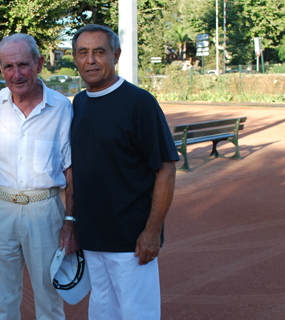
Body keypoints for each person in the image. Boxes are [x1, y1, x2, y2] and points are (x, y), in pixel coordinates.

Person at [70, 24, 179, 320]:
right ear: (75, 58)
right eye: (83, 52)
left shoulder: (140, 103)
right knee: (103, 311)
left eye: (99, 52)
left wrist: (152, 232)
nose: (90, 60)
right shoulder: (79, 103)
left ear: (116, 55)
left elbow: (166, 169)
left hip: (131, 241)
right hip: (92, 238)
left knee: (136, 314)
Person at [0, 33, 77, 320]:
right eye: (9, 67)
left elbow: (71, 171)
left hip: (46, 211)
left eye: (24, 64)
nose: (17, 74)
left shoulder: (62, 107)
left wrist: (70, 221)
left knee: (49, 297)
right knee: (3, 298)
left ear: (38, 63)